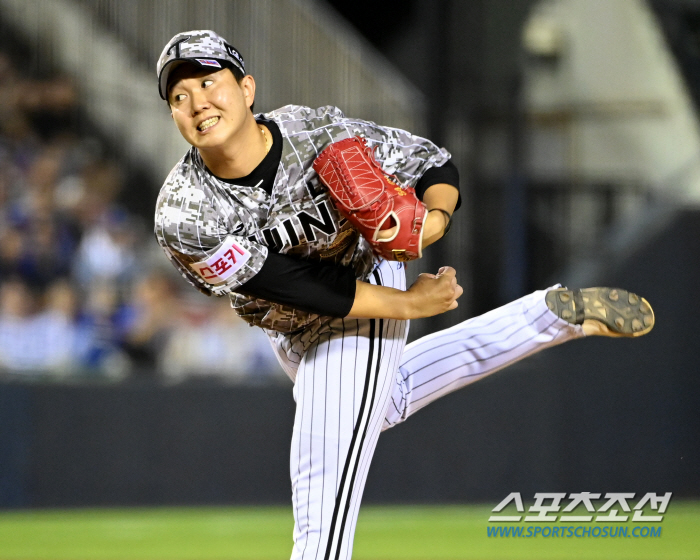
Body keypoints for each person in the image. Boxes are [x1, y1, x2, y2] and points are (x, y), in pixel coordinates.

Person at [154, 30, 654, 560]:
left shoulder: (317, 132)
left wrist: (431, 224)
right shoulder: (183, 214)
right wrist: (412, 306)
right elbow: (291, 286)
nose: (197, 103)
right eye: (179, 97)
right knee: (381, 402)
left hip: (366, 277)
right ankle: (548, 317)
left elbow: (433, 162)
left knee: (323, 461)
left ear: (247, 88)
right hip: (296, 320)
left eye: (209, 83)